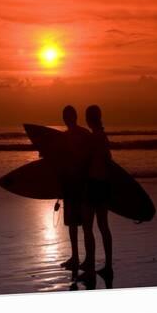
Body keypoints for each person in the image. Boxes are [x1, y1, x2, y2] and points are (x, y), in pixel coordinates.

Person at [81, 104, 113, 284]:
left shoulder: (94, 138)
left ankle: (90, 267)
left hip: (94, 184)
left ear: (89, 119)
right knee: (103, 226)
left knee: (88, 226)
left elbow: (85, 162)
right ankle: (108, 265)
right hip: (104, 184)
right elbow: (109, 161)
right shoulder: (103, 137)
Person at [59, 105, 92, 271]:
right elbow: (57, 158)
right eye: (65, 117)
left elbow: (93, 157)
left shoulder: (84, 135)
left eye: (69, 116)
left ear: (75, 117)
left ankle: (87, 259)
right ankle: (75, 256)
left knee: (86, 224)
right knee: (72, 224)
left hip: (83, 184)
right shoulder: (64, 137)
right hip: (69, 184)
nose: (67, 119)